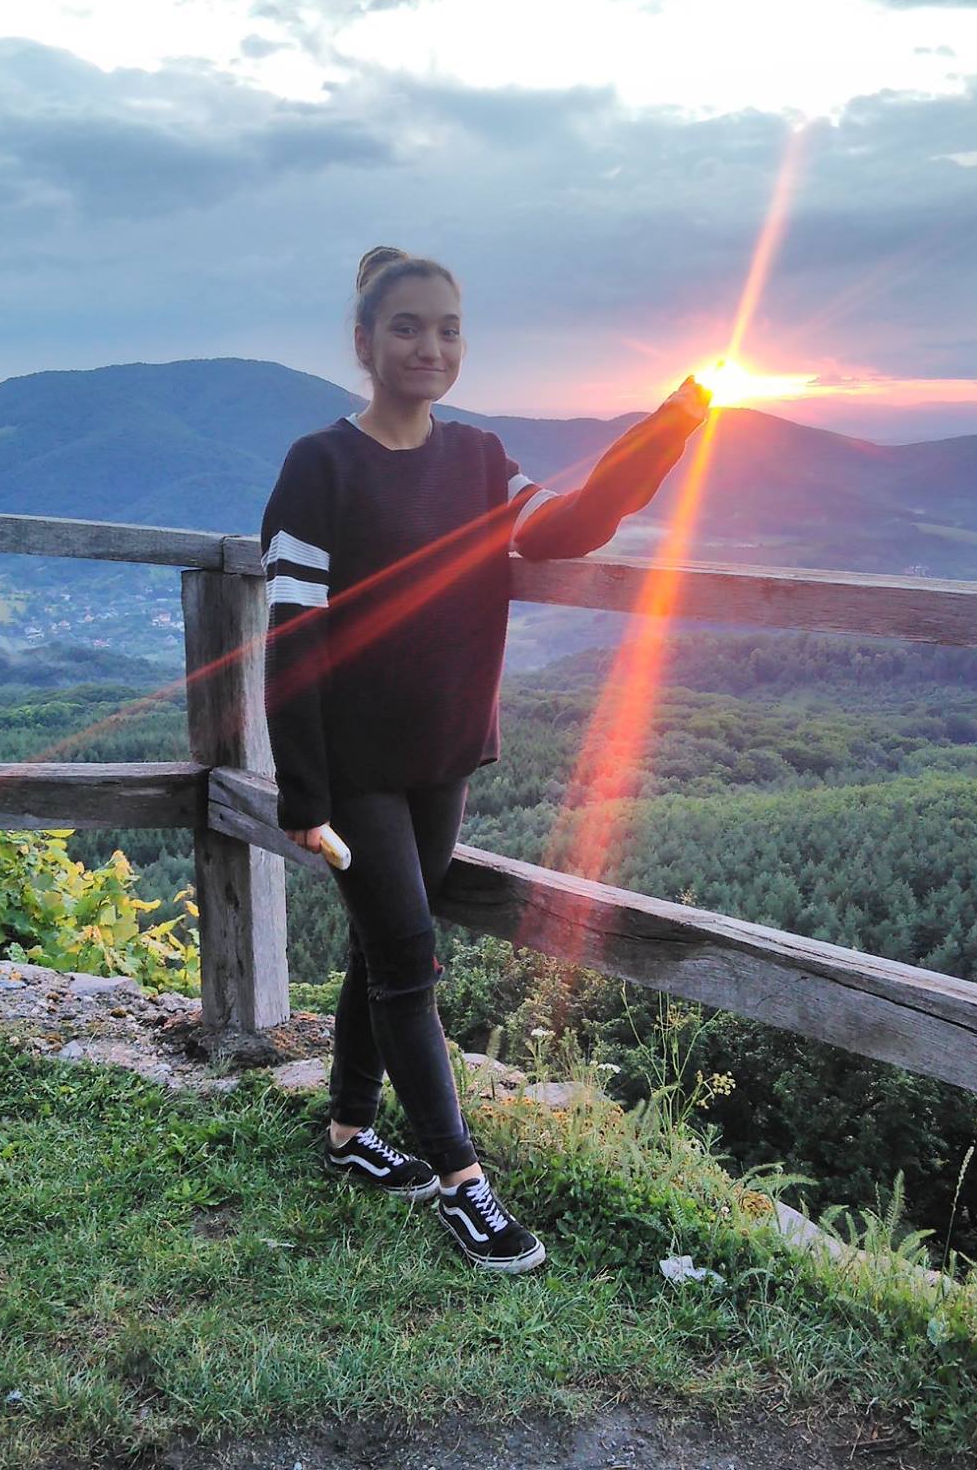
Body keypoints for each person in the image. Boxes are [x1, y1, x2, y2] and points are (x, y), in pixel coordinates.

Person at [257, 244, 712, 1273]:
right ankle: (462, 1182)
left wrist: (676, 420)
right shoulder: (319, 467)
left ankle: (347, 1130)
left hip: (445, 755)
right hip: (353, 767)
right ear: (364, 341)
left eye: (448, 328)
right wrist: (303, 793)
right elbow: (291, 638)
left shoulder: (479, 460)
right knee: (409, 958)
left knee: (386, 948)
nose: (431, 346)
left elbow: (569, 526)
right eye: (407, 327)